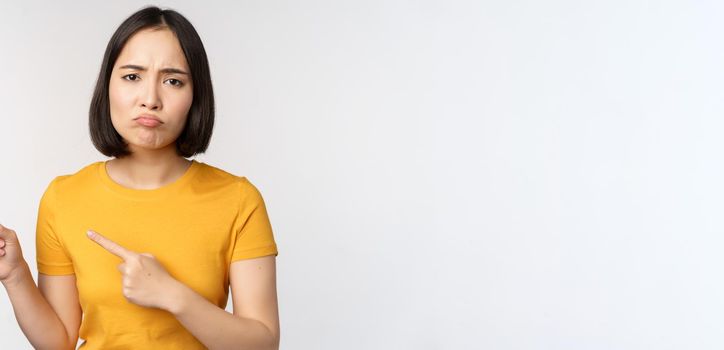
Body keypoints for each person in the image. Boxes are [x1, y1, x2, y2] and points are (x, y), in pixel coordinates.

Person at [0, 6, 280, 350]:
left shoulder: (238, 199)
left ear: (195, 97)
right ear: (108, 86)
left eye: (173, 80)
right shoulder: (63, 197)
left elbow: (262, 344)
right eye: (132, 76)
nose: (150, 99)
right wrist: (15, 276)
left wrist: (173, 296)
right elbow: (58, 343)